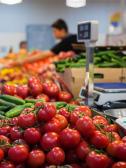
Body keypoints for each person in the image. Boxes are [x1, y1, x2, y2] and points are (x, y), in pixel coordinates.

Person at [14, 19, 80, 65]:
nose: (53, 34)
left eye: (54, 31)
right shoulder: (71, 38)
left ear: (62, 30)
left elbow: (45, 54)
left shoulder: (67, 40)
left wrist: (22, 61)